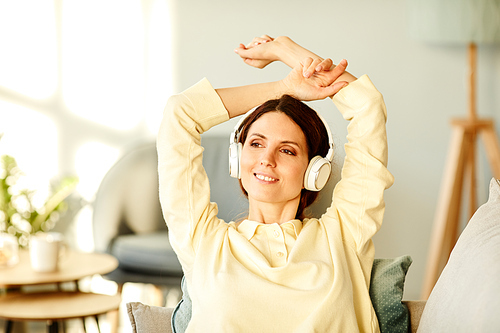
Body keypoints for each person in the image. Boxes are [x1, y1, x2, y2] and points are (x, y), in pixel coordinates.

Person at [157, 35, 394, 332]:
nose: (266, 159)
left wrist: (285, 50)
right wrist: (281, 88)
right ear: (237, 159)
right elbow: (180, 113)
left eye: (287, 150)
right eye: (256, 143)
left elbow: (367, 105)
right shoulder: (202, 240)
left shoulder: (344, 234)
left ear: (314, 171)